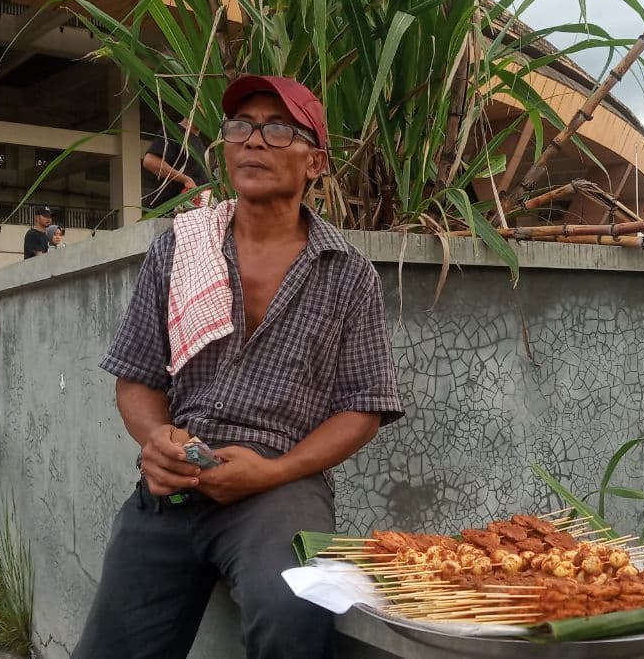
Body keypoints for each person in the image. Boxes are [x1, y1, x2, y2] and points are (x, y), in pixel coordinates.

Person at [76, 75, 403, 659]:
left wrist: (273, 474)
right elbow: (139, 376)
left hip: (280, 487)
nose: (253, 141)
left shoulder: (347, 272)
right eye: (240, 127)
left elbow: (363, 409)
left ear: (317, 163)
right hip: (178, 478)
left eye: (278, 129)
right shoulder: (180, 247)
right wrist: (156, 441)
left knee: (294, 613)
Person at [142, 117, 207, 210]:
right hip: (164, 210)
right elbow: (150, 161)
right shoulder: (173, 131)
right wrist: (185, 179)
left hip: (189, 212)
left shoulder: (200, 143)